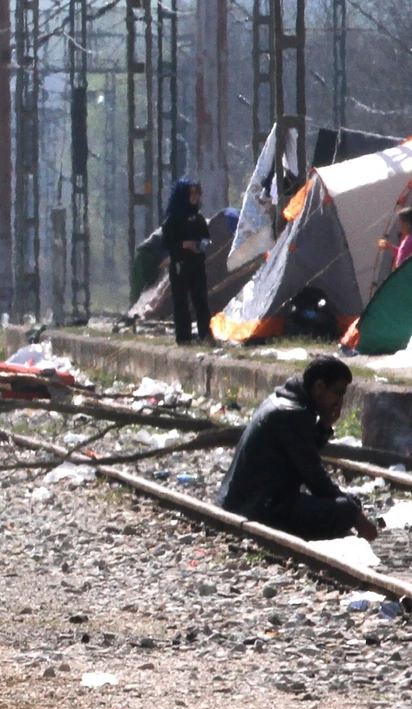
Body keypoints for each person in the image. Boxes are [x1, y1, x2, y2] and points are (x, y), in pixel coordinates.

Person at [215, 356, 379, 542]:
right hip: (259, 508)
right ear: (319, 387)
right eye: (338, 393)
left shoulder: (284, 401)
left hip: (250, 501)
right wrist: (356, 515)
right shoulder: (293, 414)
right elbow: (315, 477)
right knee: (347, 509)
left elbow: (301, 450)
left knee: (350, 502)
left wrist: (324, 426)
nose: (340, 401)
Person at [161, 178, 215, 346]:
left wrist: (201, 246)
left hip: (197, 264)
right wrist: (184, 245)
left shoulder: (198, 218)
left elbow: (207, 238)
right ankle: (184, 337)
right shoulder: (173, 219)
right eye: (191, 193)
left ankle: (205, 334)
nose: (194, 197)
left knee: (201, 299)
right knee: (181, 301)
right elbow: (166, 243)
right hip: (180, 265)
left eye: (197, 193)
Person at [395, 206, 412, 271]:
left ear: (407, 224)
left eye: (400, 222)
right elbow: (404, 253)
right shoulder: (408, 239)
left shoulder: (409, 241)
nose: (398, 224)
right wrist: (391, 248)